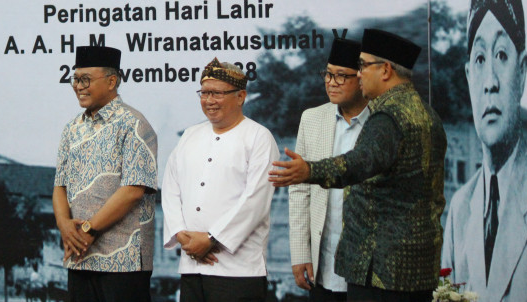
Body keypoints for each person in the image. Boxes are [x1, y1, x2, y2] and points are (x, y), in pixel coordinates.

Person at [269, 28, 446, 302]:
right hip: (415, 268)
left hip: (382, 270)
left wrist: (311, 171)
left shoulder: (388, 116)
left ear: (385, 70)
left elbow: (359, 163)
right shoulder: (427, 113)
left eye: (362, 66)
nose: (359, 73)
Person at [441, 0, 527, 302]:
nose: (490, 82)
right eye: (480, 60)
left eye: (502, 55)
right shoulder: (459, 210)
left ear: (522, 71)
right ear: (469, 77)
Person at [162, 58, 278, 302]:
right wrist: (182, 235)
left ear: (240, 96)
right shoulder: (190, 135)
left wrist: (211, 239)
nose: (209, 100)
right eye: (204, 93)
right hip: (192, 265)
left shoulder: (259, 137)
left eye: (217, 93)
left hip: (239, 270)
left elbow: (255, 201)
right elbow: (171, 189)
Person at [53, 45, 158, 302]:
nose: (78, 86)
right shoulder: (71, 129)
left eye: (85, 79)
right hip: (80, 255)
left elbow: (133, 190)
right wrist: (65, 225)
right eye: (75, 79)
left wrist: (88, 230)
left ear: (112, 81)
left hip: (123, 261)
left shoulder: (134, 124)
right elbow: (60, 186)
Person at [289, 38, 369, 301]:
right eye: (328, 74)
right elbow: (299, 190)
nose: (331, 82)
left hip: (368, 268)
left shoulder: (381, 122)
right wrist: (300, 253)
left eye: (341, 76)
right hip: (322, 263)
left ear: (361, 78)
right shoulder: (312, 119)